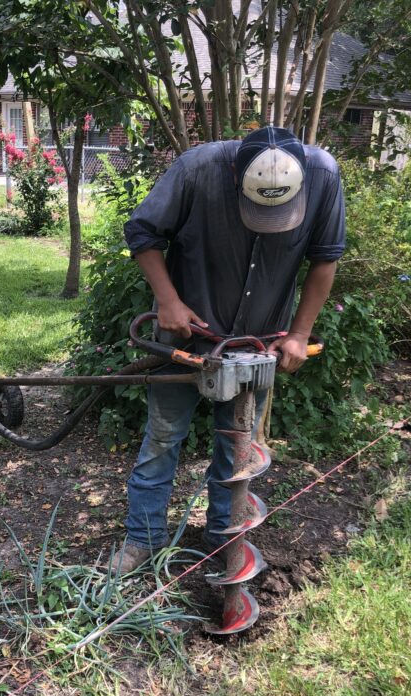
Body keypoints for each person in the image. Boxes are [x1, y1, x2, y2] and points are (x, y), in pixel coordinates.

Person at [115, 125, 346, 572]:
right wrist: (168, 300)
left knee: (238, 448)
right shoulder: (198, 169)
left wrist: (299, 333)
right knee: (163, 439)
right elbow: (142, 231)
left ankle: (225, 542)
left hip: (259, 345)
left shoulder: (323, 175)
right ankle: (142, 540)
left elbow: (325, 257)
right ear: (235, 176)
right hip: (184, 339)